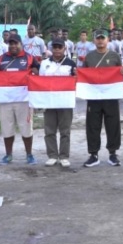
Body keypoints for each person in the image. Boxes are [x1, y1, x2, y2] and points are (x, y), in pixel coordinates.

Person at [0, 34, 39, 165]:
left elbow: (38, 73)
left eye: (15, 43)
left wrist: (36, 71)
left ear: (21, 44)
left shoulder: (30, 58)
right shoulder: (1, 59)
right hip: (5, 100)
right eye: (10, 43)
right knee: (6, 127)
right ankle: (8, 155)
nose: (13, 46)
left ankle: (29, 155)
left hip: (24, 99)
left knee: (26, 127)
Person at [82, 29, 123, 167]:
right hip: (93, 97)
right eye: (97, 38)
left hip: (110, 97)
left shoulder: (114, 56)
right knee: (93, 125)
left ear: (107, 40)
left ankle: (113, 153)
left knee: (113, 125)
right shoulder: (89, 57)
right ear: (94, 40)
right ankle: (93, 154)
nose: (100, 41)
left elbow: (121, 74)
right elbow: (84, 75)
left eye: (102, 38)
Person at [40, 39, 77, 167]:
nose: (56, 50)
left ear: (64, 49)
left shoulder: (71, 64)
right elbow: (40, 82)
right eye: (54, 47)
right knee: (49, 130)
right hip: (49, 102)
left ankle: (64, 156)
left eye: (59, 47)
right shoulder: (44, 63)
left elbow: (76, 82)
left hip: (65, 102)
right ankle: (52, 155)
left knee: (65, 131)